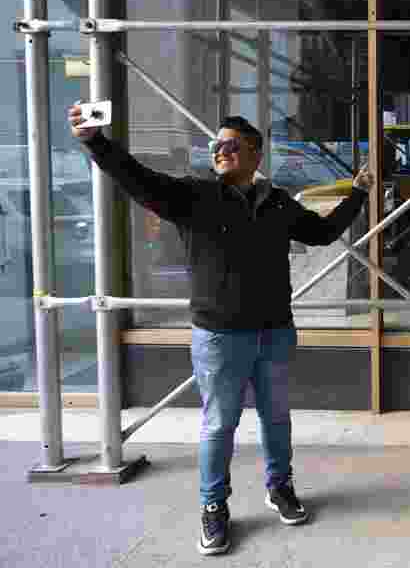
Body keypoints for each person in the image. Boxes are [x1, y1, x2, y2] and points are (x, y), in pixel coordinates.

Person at [69, 105, 374, 556]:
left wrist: (359, 193)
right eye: (216, 146)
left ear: (255, 153)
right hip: (219, 336)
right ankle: (214, 508)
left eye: (231, 145)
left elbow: (324, 233)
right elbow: (137, 179)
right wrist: (96, 141)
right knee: (218, 426)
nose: (221, 151)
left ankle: (280, 488)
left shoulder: (278, 202)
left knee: (276, 419)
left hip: (274, 332)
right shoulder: (195, 197)